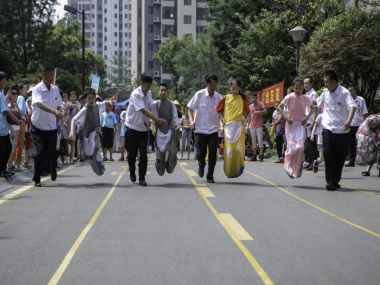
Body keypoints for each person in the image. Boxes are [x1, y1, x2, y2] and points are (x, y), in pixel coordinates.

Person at [124, 73, 168, 186]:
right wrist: (157, 120)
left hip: (144, 129)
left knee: (143, 154)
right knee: (132, 154)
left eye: (150, 85)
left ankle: (142, 178)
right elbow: (143, 110)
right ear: (141, 83)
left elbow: (151, 106)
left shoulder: (148, 93)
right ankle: (132, 170)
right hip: (132, 128)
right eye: (146, 85)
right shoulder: (136, 94)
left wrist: (162, 103)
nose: (148, 87)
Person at [317, 69, 356, 191]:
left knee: (340, 157)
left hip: (341, 130)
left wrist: (348, 122)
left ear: (334, 82)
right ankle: (330, 182)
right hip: (328, 128)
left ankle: (335, 180)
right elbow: (316, 104)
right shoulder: (325, 93)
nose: (325, 84)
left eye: (326, 82)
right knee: (328, 154)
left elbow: (352, 107)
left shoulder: (344, 93)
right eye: (324, 82)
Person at [30, 65, 64, 187]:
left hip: (51, 127)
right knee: (40, 152)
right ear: (44, 74)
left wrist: (60, 111)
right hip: (38, 127)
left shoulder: (55, 89)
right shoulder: (37, 89)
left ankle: (53, 169)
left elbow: (59, 104)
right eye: (49, 75)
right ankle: (37, 178)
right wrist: (53, 111)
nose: (51, 77)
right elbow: (39, 104)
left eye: (52, 75)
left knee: (52, 152)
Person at [276, 78, 315, 178]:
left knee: (300, 148)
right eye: (296, 88)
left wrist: (306, 118)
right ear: (293, 88)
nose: (298, 90)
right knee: (292, 148)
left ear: (303, 88)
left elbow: (313, 108)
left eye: (300, 88)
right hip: (291, 125)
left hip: (301, 125)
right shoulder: (289, 97)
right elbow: (279, 107)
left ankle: (296, 170)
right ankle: (288, 167)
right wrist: (286, 117)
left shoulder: (305, 98)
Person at [187, 74, 222, 183]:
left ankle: (210, 176)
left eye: (214, 86)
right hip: (200, 130)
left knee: (212, 154)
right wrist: (192, 121)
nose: (213, 88)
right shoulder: (199, 95)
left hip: (213, 130)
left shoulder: (219, 97)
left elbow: (222, 112)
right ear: (206, 84)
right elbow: (189, 108)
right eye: (211, 85)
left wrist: (223, 123)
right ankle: (201, 164)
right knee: (200, 154)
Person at [216, 79, 250, 178]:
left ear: (239, 89)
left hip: (239, 127)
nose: (234, 90)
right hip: (228, 128)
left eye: (236, 89)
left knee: (237, 150)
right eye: (233, 88)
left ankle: (240, 167)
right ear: (230, 88)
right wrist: (222, 120)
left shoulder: (242, 100)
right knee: (229, 151)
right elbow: (218, 110)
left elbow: (249, 113)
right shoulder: (226, 98)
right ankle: (229, 171)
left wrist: (246, 121)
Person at [69, 88, 105, 176]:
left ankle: (96, 162)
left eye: (93, 98)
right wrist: (72, 131)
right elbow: (74, 119)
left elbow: (106, 103)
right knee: (89, 152)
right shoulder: (84, 110)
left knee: (95, 147)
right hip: (88, 135)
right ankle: (88, 158)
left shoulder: (98, 105)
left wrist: (111, 102)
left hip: (96, 133)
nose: (91, 100)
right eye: (89, 98)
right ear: (86, 99)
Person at [151, 83, 180, 176]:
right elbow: (153, 117)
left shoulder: (171, 104)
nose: (163, 92)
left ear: (167, 92)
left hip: (169, 132)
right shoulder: (154, 104)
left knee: (171, 153)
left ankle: (171, 164)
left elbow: (175, 118)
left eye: (165, 90)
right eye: (161, 90)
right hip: (158, 133)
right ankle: (159, 164)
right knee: (161, 157)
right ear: (158, 92)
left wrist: (175, 126)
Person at [0, 72, 23, 178]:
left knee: (7, 148)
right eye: (4, 80)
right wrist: (18, 121)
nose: (5, 83)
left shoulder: (1, 94)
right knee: (6, 149)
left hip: (3, 128)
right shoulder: (0, 95)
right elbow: (7, 112)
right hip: (1, 128)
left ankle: (3, 170)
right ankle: (2, 170)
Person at [345, 86, 368, 167]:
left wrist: (366, 124)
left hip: (360, 125)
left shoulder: (361, 100)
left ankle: (362, 160)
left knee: (360, 143)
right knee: (351, 144)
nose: (350, 92)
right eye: (349, 91)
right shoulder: (347, 100)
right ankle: (351, 161)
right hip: (350, 125)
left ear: (355, 90)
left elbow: (365, 113)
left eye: (351, 90)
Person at [303, 76, 318, 171]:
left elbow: (316, 109)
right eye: (304, 83)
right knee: (307, 143)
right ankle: (309, 161)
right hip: (306, 121)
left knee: (311, 144)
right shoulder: (306, 94)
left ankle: (314, 162)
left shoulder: (314, 94)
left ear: (311, 84)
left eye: (307, 83)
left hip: (311, 121)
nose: (305, 85)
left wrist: (314, 122)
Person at [246, 92, 266, 162]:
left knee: (260, 140)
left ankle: (261, 155)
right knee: (253, 141)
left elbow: (265, 111)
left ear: (256, 98)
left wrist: (258, 112)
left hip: (259, 125)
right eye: (251, 98)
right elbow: (249, 116)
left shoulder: (261, 104)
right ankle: (254, 155)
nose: (253, 99)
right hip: (252, 125)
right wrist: (248, 126)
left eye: (254, 97)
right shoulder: (250, 106)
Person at [64, 91, 79, 164]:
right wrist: (67, 108)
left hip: (73, 126)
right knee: (67, 142)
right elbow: (64, 114)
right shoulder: (67, 104)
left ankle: (71, 159)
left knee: (73, 142)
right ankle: (67, 158)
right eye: (71, 97)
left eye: (74, 96)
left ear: (76, 97)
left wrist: (76, 107)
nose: (73, 98)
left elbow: (80, 114)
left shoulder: (77, 105)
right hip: (67, 125)